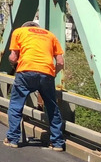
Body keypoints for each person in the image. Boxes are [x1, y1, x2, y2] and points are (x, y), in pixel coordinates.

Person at [5, 21, 65, 150]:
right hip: (46, 73)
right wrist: (52, 74)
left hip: (26, 72)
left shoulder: (19, 32)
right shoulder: (51, 35)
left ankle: (13, 139)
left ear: (24, 28)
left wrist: (15, 65)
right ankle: (57, 143)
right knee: (51, 107)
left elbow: (13, 57)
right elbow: (60, 62)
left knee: (16, 105)